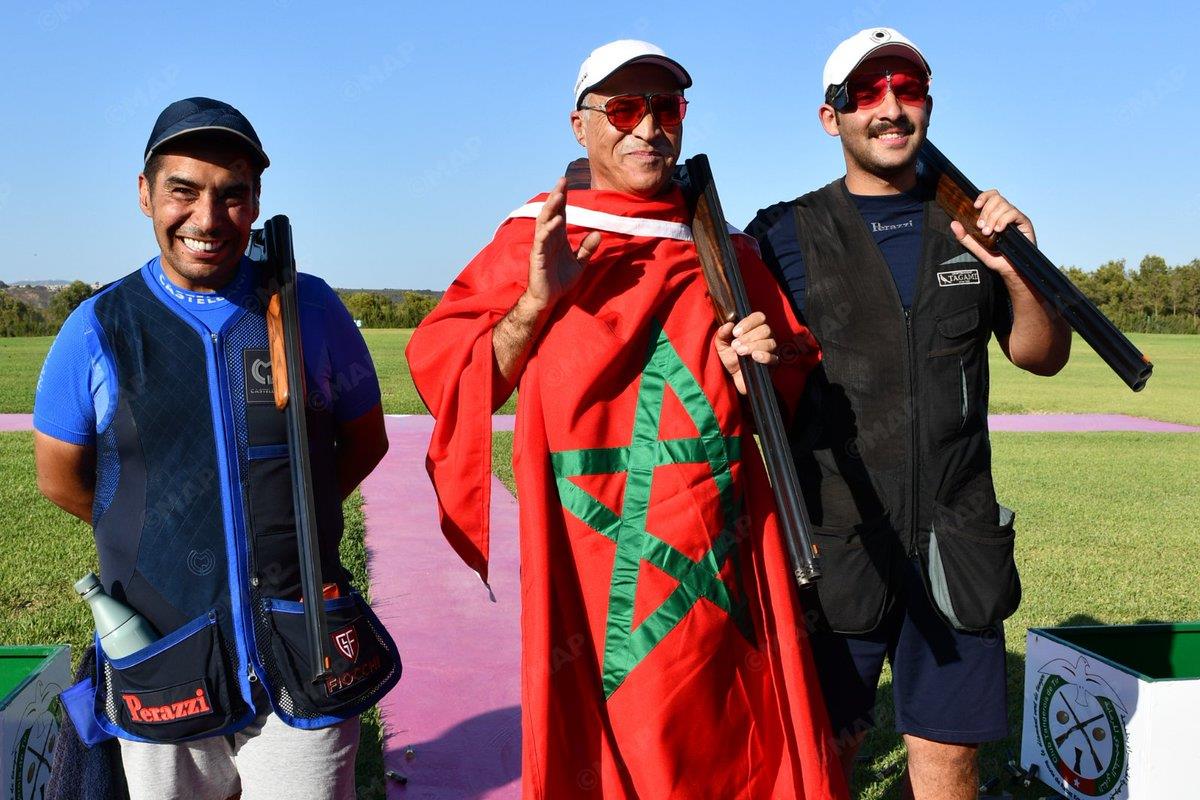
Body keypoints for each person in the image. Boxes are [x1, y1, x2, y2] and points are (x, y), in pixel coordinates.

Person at [407, 39, 846, 799]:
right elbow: (449, 371)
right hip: (591, 553)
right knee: (607, 744)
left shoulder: (722, 247)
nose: (647, 127)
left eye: (665, 107)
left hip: (716, 551)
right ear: (581, 127)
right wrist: (538, 300)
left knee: (723, 737)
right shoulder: (536, 235)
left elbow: (791, 392)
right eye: (623, 108)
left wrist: (758, 368)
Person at [33, 97, 400, 800]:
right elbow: (62, 479)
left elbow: (363, 441)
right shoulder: (97, 327)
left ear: (257, 201)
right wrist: (156, 532)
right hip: (164, 656)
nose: (207, 219)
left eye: (232, 195)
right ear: (145, 195)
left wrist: (287, 519)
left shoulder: (309, 307)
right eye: (184, 191)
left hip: (304, 649)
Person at [746, 28, 1072, 799]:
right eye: (865, 94)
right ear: (832, 118)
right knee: (827, 753)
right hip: (835, 543)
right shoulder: (777, 235)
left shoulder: (976, 224)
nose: (890, 108)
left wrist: (1020, 268)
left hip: (957, 539)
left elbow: (1041, 354)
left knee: (951, 758)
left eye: (907, 89)